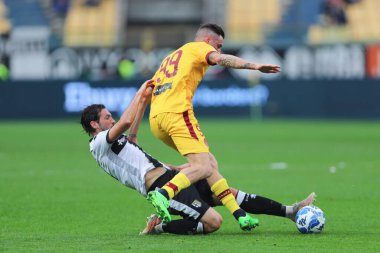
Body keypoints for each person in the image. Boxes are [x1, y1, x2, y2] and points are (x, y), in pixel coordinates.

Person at [80, 80, 316, 235]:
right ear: (94, 124)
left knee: (226, 191)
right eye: (107, 117)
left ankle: (290, 211)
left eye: (111, 116)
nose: (111, 119)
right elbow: (126, 122)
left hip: (171, 175)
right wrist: (139, 93)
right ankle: (159, 226)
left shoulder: (112, 144)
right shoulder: (99, 144)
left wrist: (144, 101)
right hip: (159, 187)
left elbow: (132, 138)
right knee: (213, 223)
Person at [147, 23, 281, 230]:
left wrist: (135, 132)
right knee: (202, 166)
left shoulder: (172, 56)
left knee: (209, 163)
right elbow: (220, 59)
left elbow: (147, 90)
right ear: (208, 40)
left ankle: (239, 214)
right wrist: (254, 66)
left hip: (156, 119)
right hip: (177, 113)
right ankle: (164, 193)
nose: (218, 50)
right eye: (217, 45)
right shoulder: (199, 47)